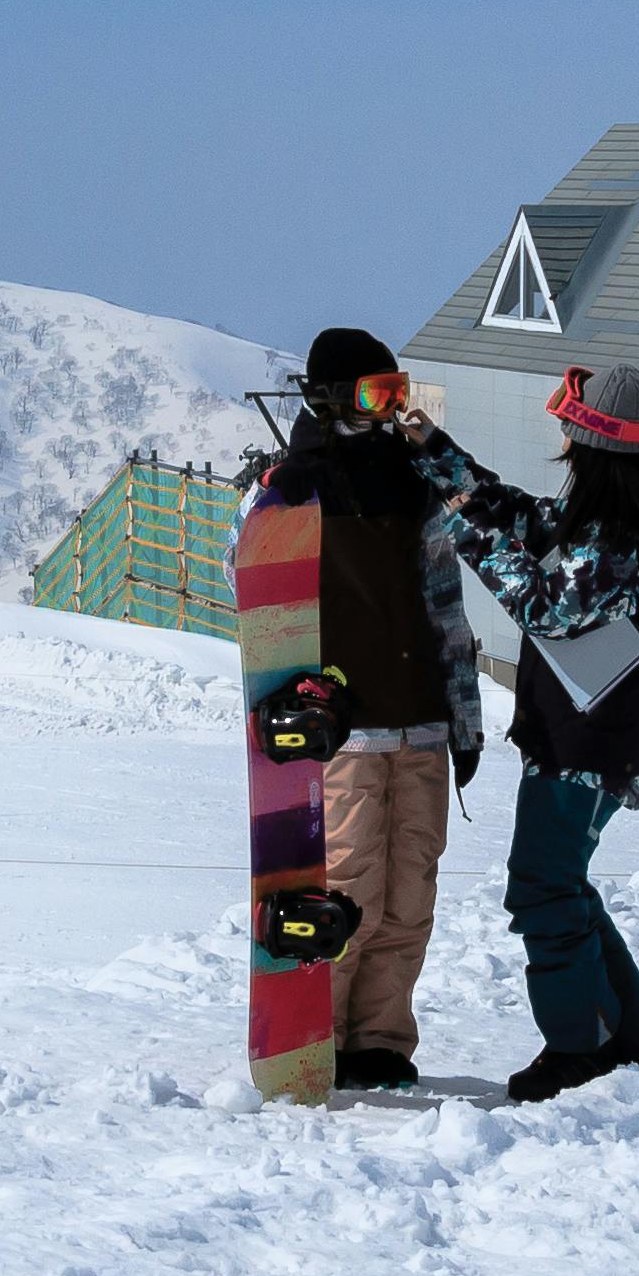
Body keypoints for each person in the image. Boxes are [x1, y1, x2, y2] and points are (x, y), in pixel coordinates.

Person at [405, 363, 639, 1105]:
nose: (558, 434)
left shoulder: (613, 531)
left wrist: (462, 528)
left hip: (591, 736)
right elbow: (521, 516)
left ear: (592, 439)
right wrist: (437, 453)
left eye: (568, 423)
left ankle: (575, 1049)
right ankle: (634, 1038)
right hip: (583, 728)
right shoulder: (600, 507)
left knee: (542, 885)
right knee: (562, 883)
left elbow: (546, 606)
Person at [272, 328, 492, 1091]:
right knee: (351, 886)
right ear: (331, 397)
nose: (390, 409)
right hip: (347, 728)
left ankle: (380, 1041)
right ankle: (321, 1036)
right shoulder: (290, 489)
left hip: (422, 719)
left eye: (396, 391)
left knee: (410, 891)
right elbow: (264, 610)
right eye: (375, 394)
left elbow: (445, 607)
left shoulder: (412, 481)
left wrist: (462, 719)